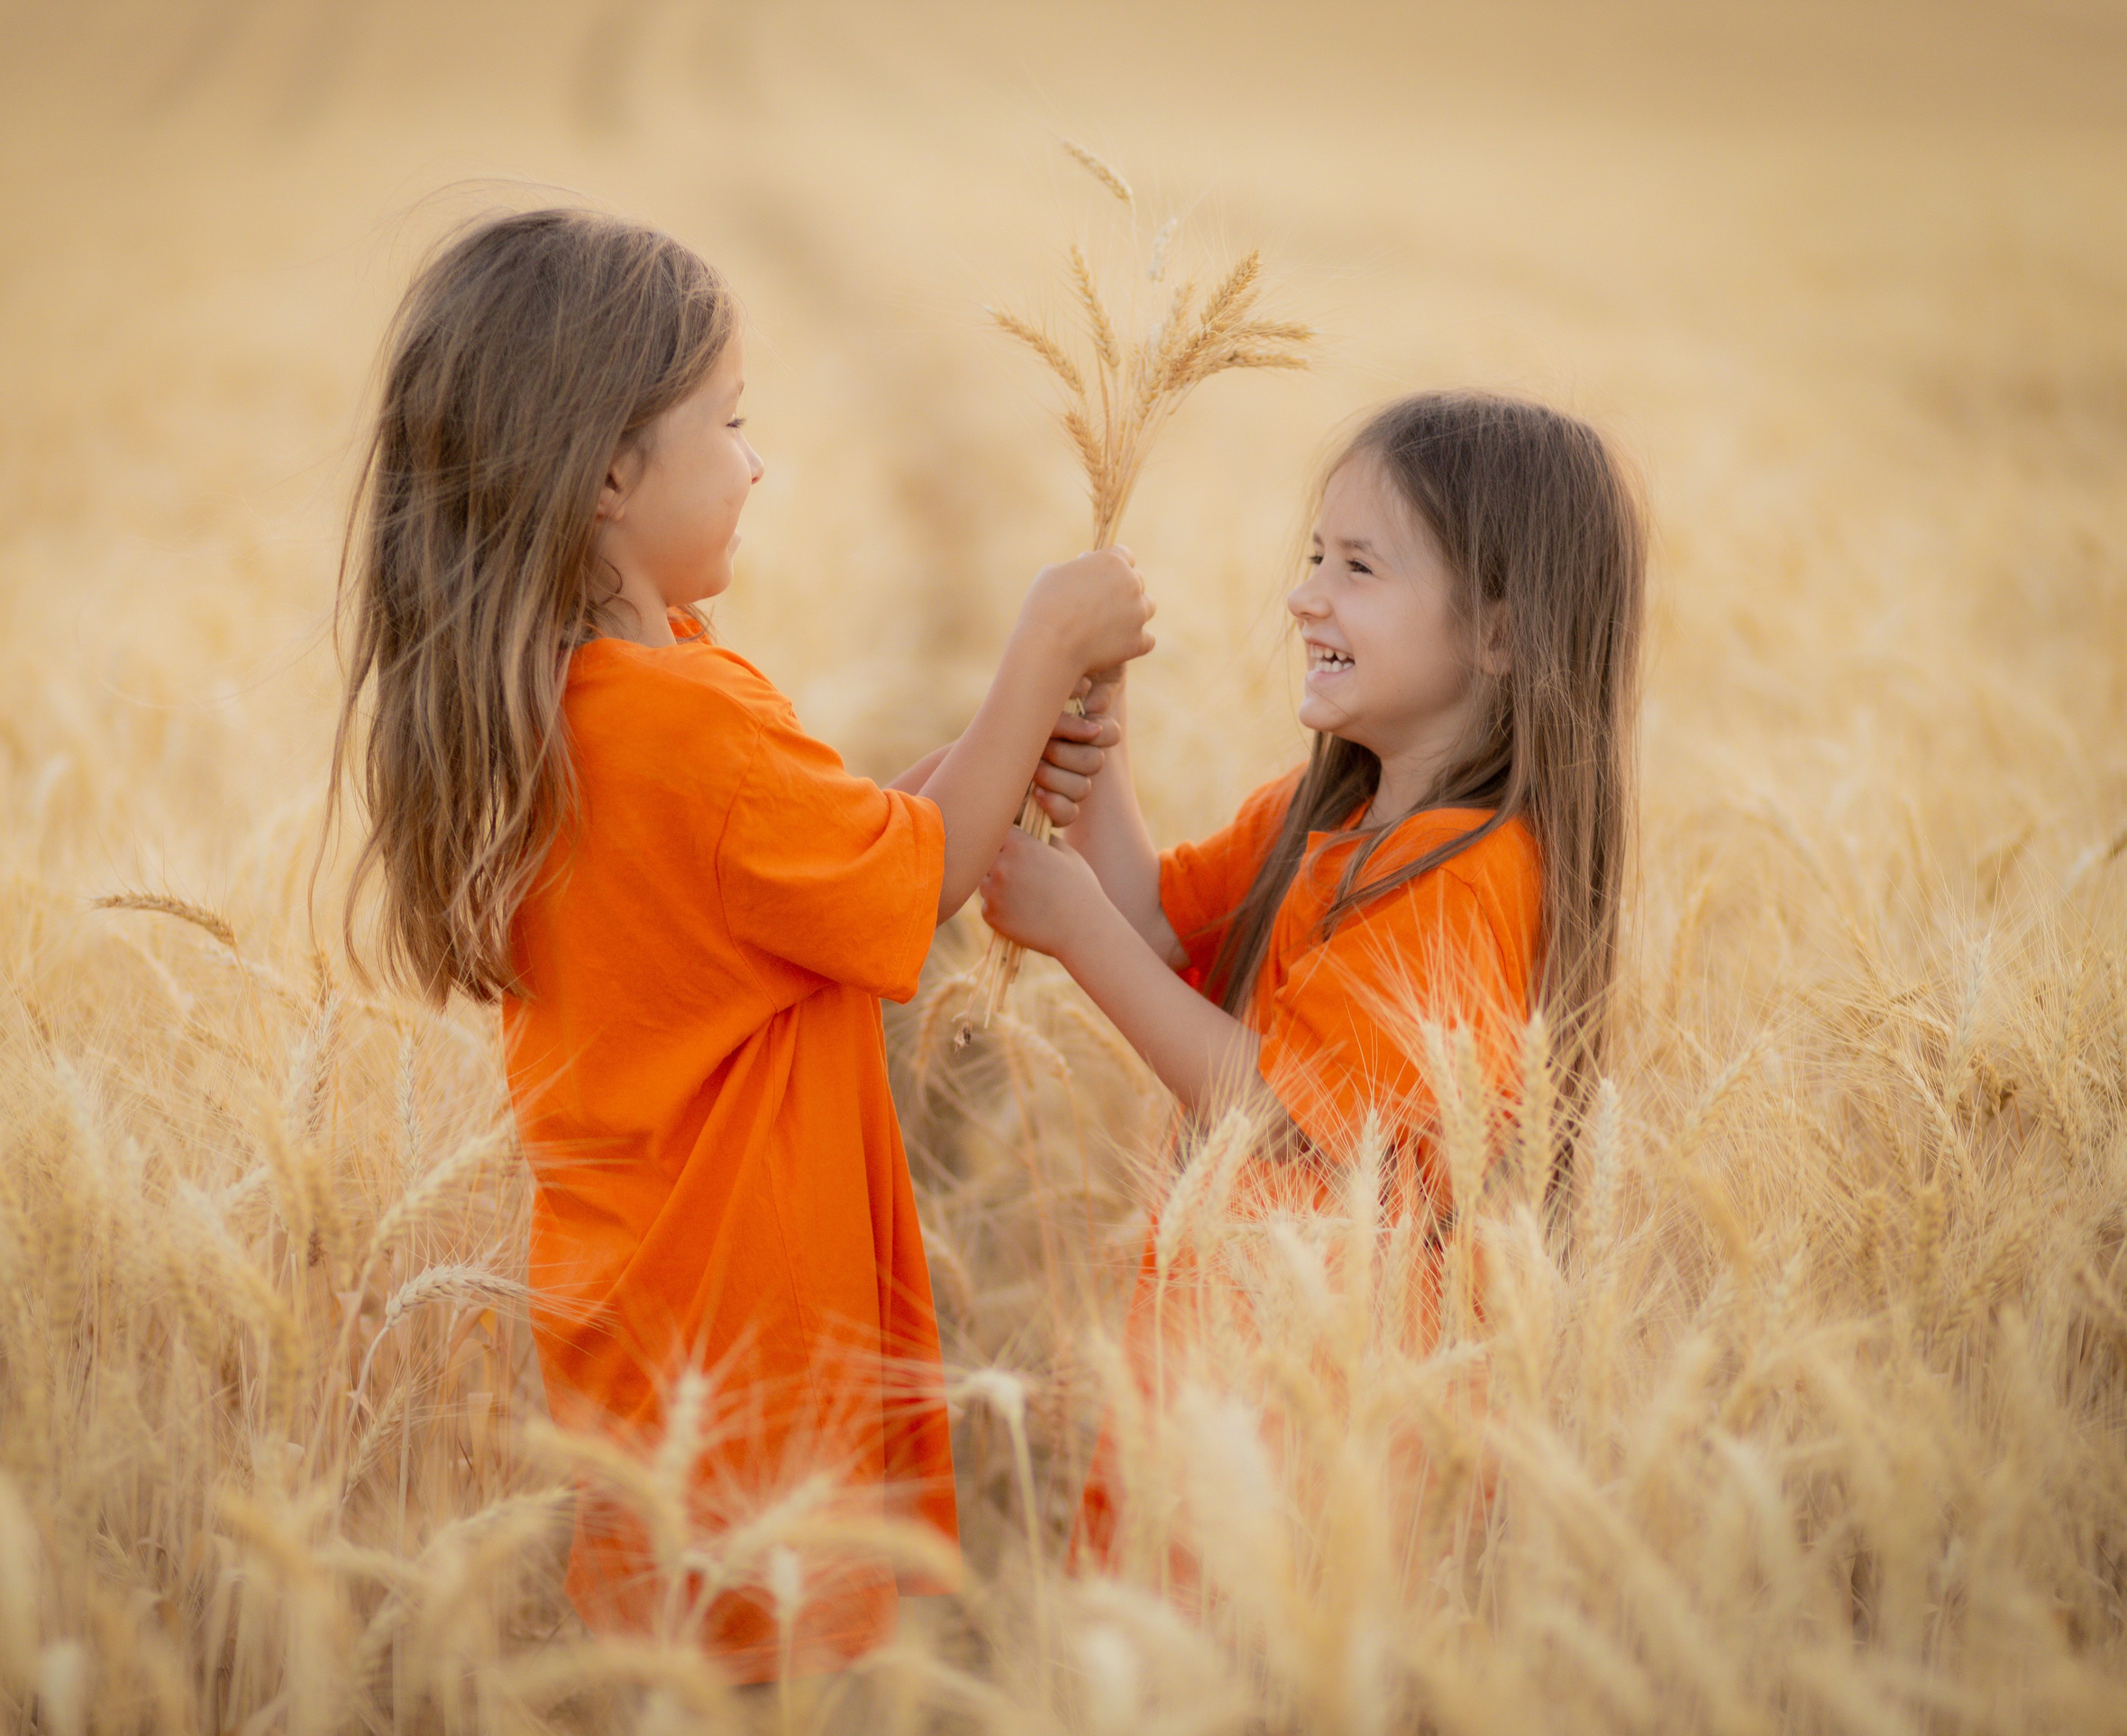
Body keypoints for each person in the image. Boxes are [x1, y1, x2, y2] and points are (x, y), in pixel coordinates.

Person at [324, 206, 1151, 1682]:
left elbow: (835, 856)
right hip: (756, 1330)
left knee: (681, 1662)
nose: (757, 463)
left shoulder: (586, 700)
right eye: (732, 422)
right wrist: (1044, 646)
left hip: (641, 1318)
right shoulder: (683, 719)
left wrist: (997, 749)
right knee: (778, 1672)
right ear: (608, 474)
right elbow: (914, 875)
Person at [976, 390, 1645, 1571]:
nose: (1305, 596)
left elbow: (1281, 1109)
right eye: (1315, 556)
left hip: (1329, 1411)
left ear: (1498, 635)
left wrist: (1074, 931)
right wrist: (1099, 748)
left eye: (1358, 567)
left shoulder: (1470, 877)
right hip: (1221, 1358)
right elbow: (1158, 924)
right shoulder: (1323, 814)